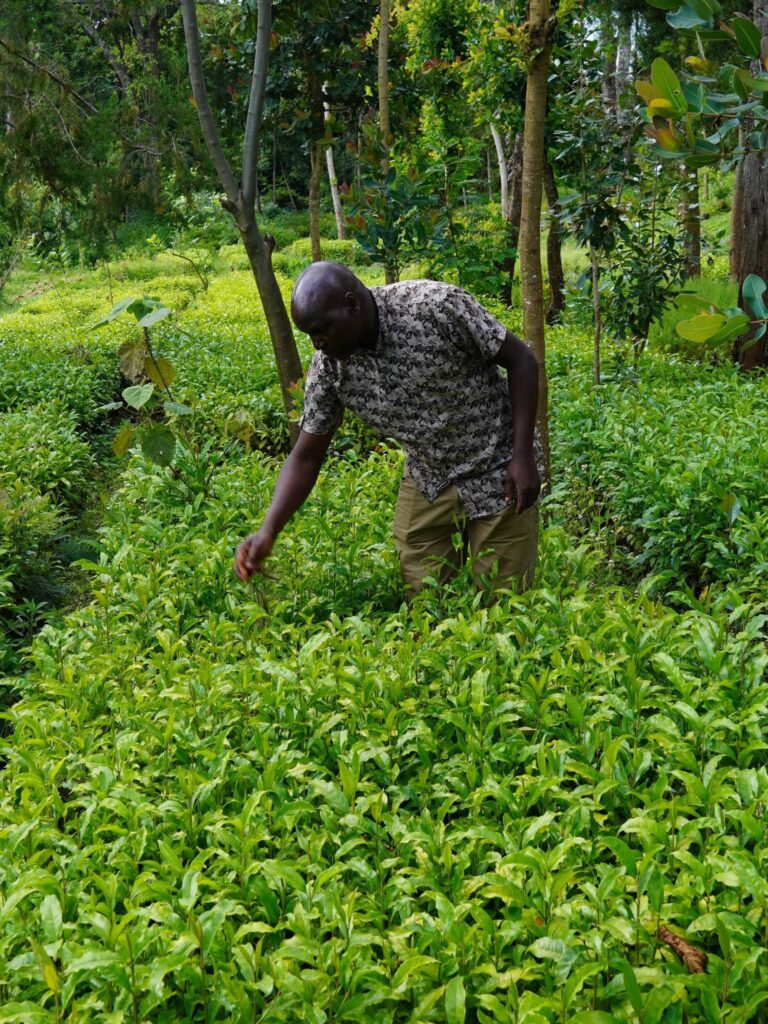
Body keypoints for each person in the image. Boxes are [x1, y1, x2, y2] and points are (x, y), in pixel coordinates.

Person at [234, 261, 541, 599]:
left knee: (504, 602)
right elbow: (306, 456)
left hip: (498, 468)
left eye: (322, 329)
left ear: (352, 306)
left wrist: (523, 455)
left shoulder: (434, 306)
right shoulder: (331, 368)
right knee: (427, 601)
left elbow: (521, 360)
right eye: (309, 334)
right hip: (429, 476)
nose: (317, 343)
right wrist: (268, 530)